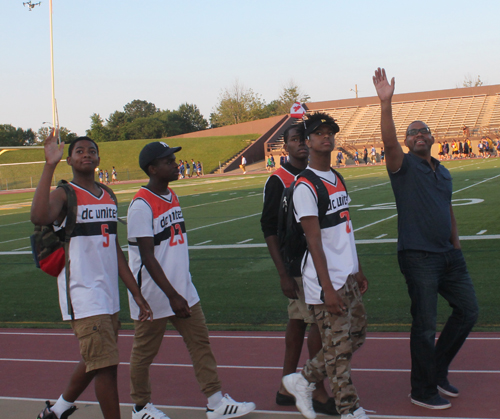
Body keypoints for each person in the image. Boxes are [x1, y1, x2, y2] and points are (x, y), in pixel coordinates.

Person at [373, 68, 479, 410]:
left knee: (468, 311)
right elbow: (388, 140)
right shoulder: (401, 166)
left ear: (433, 138)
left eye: (424, 131)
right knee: (424, 326)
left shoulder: (443, 170)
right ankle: (421, 389)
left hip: (449, 256)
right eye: (413, 132)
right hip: (419, 257)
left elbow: (448, 210)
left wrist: (457, 246)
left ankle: (437, 368)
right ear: (406, 142)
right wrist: (386, 103)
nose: (419, 134)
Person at [127, 142, 256, 419]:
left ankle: (215, 402)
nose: (176, 164)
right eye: (168, 161)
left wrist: (181, 288)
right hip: (155, 294)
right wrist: (172, 295)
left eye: (174, 159)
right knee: (144, 353)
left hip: (183, 288)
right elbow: (148, 257)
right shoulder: (140, 205)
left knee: (200, 342)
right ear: (153, 168)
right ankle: (140, 407)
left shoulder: (171, 194)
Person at [31, 131, 152, 419]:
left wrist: (135, 292)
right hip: (82, 293)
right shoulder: (65, 193)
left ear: (98, 158)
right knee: (106, 367)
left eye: (92, 150)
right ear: (70, 159)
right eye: (80, 151)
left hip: (109, 295)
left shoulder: (108, 195)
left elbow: (114, 251)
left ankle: (57, 410)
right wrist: (49, 165)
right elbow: (38, 216)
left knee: (95, 359)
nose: (86, 154)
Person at [282, 113, 369, 419]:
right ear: (307, 141)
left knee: (355, 335)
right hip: (325, 282)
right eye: (318, 133)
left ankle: (303, 379)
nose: (326, 137)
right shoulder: (305, 185)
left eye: (330, 132)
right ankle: (349, 409)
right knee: (339, 347)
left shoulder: (337, 177)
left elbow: (345, 228)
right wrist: (327, 288)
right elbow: (314, 241)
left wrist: (356, 269)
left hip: (346, 276)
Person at [260, 124, 337, 416]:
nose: (302, 144)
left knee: (298, 322)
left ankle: (284, 387)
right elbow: (269, 227)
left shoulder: (316, 175)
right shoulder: (279, 180)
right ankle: (316, 389)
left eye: (304, 138)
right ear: (286, 147)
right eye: (295, 140)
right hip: (298, 264)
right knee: (317, 322)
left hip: (316, 260)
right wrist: (282, 272)